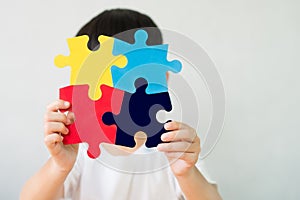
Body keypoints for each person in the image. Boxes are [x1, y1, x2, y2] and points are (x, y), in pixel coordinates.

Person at [20, 8, 222, 200]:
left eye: (130, 80)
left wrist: (186, 173)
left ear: (162, 80)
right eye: (103, 81)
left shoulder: (174, 144)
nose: (117, 94)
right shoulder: (79, 149)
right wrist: (59, 166)